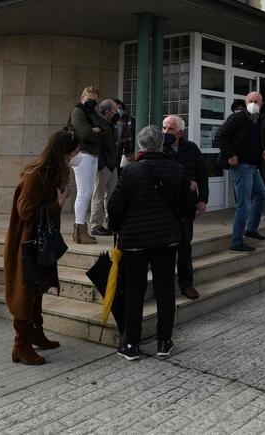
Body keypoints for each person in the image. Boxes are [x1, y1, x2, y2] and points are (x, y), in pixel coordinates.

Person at [107, 125, 192, 361]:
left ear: (141, 145)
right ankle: (164, 341)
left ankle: (131, 343)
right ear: (161, 144)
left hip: (135, 240)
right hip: (167, 238)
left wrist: (117, 225)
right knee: (166, 290)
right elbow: (187, 206)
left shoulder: (131, 171)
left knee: (134, 291)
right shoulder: (177, 169)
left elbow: (114, 206)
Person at [3, 129, 79, 365]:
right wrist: (57, 203)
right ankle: (21, 346)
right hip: (26, 246)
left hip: (39, 244)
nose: (77, 155)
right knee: (25, 293)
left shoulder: (53, 172)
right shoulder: (36, 175)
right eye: (75, 151)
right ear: (64, 152)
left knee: (37, 290)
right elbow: (26, 211)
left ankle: (36, 334)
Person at [216, 90, 265, 252]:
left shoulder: (258, 119)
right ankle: (236, 241)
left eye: (256, 101)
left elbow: (253, 141)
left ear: (261, 104)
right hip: (241, 166)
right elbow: (220, 136)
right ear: (246, 102)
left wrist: (263, 151)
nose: (253, 103)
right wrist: (230, 154)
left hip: (253, 166)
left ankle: (251, 229)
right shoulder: (238, 117)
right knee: (244, 204)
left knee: (262, 194)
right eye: (250, 101)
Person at [163, 114, 209, 300]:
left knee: (184, 247)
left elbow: (202, 174)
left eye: (171, 129)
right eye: (164, 128)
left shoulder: (191, 149)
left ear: (180, 133)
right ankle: (165, 286)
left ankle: (186, 284)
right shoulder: (158, 149)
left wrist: (202, 199)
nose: (166, 132)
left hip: (185, 208)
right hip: (165, 207)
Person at [68, 86, 110, 244]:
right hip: (82, 153)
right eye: (88, 100)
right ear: (82, 98)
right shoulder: (78, 112)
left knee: (89, 191)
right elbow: (85, 133)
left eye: (94, 101)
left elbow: (107, 128)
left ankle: (80, 230)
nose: (91, 103)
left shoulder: (94, 113)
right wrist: (97, 132)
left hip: (92, 154)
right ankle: (79, 229)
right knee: (84, 192)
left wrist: (98, 130)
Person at [87, 99, 120, 241]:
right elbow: (97, 145)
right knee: (98, 195)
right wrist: (101, 164)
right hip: (104, 164)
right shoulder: (98, 123)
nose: (117, 113)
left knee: (111, 195)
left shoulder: (110, 124)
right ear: (107, 111)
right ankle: (96, 225)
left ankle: (110, 221)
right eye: (114, 110)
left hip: (112, 164)